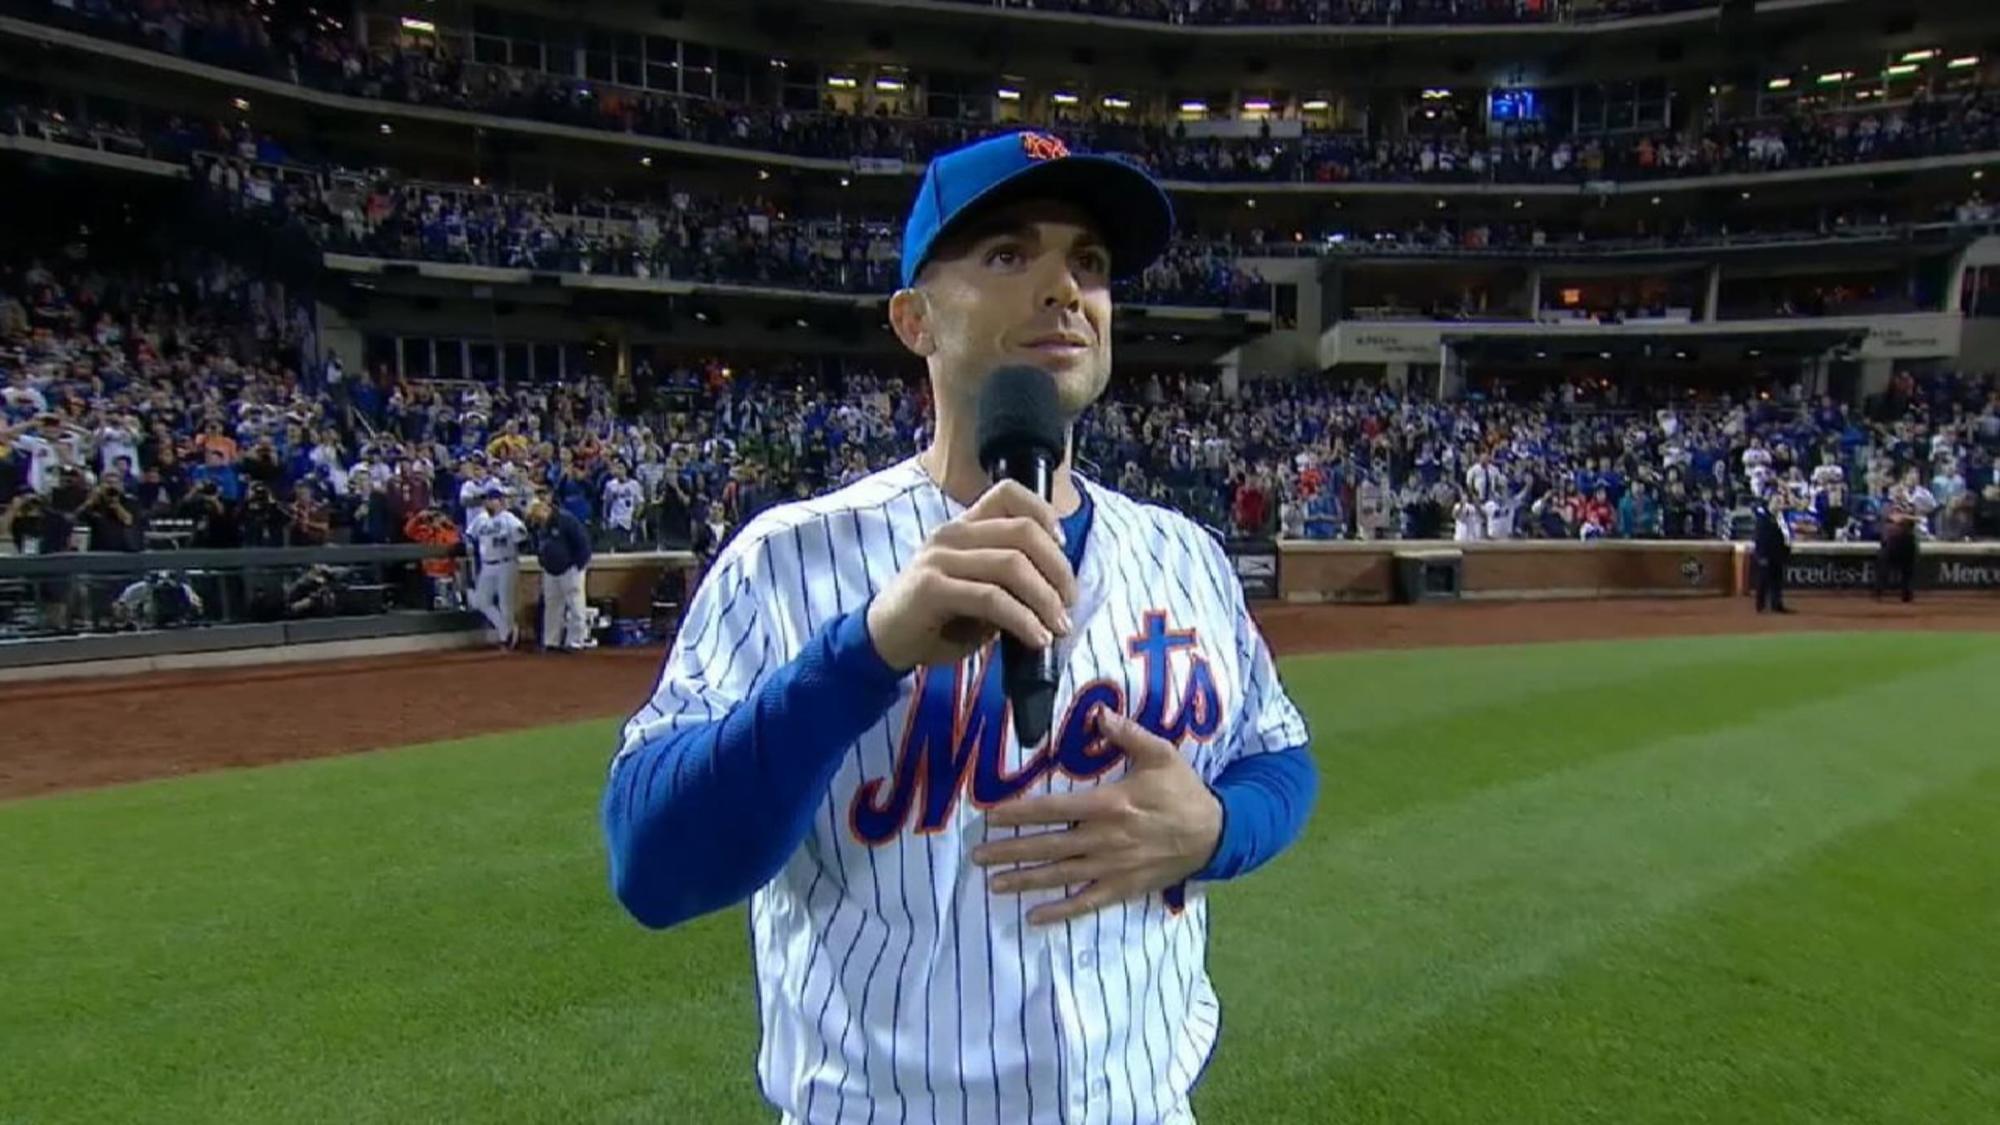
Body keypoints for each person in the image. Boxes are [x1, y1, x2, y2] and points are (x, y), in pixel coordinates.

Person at [602, 131, 1317, 1124]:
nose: (1065, 289)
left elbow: (1279, 754)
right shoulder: (790, 559)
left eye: (1090, 263)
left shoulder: (1183, 553)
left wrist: (1220, 828)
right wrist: (865, 652)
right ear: (914, 320)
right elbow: (652, 866)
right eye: (1008, 254)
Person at [465, 485, 527, 648]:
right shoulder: (480, 518)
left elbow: (522, 537)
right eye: (486, 500)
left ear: (500, 501)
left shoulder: (509, 518)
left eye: (491, 499)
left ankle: (506, 637)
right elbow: (469, 535)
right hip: (487, 565)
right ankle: (506, 629)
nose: (488, 503)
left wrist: (512, 537)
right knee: (481, 601)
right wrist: (468, 545)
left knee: (505, 603)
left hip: (506, 562)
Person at [527, 498, 593, 652]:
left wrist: (577, 566)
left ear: (544, 509)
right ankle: (551, 641)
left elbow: (583, 544)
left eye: (536, 515)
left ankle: (576, 641)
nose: (535, 519)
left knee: (576, 606)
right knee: (552, 607)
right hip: (550, 571)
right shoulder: (540, 526)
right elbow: (539, 546)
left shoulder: (566, 520)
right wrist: (543, 563)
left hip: (570, 569)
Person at [1751, 496, 1794, 614]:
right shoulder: (1762, 517)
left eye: (1780, 503)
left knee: (1777, 581)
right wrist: (1761, 555)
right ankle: (1760, 605)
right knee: (1763, 581)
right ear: (1770, 503)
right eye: (1777, 502)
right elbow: (1759, 538)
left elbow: (1786, 536)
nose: (1779, 505)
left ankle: (1776, 604)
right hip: (1765, 554)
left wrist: (1786, 550)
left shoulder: (1781, 518)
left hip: (1778, 554)